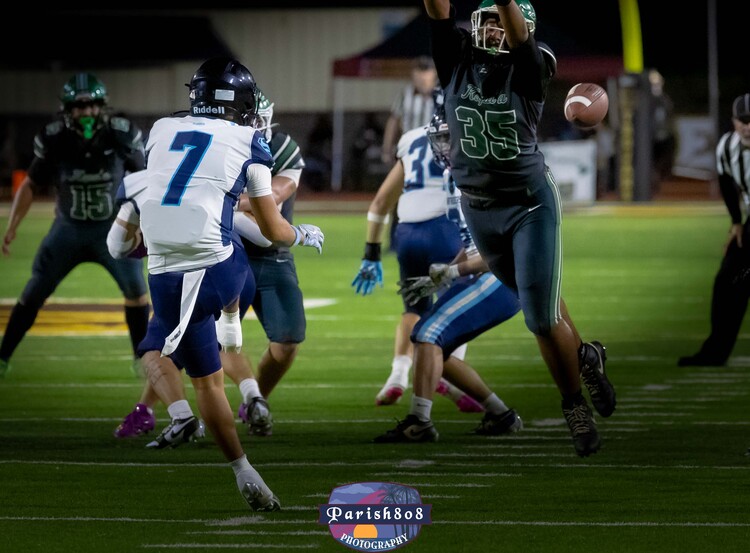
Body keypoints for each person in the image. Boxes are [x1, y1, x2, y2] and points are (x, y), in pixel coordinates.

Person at [109, 57, 324, 511]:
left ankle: (239, 465)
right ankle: (230, 319)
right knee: (234, 255)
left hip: (167, 276)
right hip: (224, 272)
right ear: (241, 103)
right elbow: (272, 230)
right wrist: (301, 234)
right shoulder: (250, 140)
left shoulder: (161, 130)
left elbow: (152, 206)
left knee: (196, 378)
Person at [422, 0, 615, 457]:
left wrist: (505, 1)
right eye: (485, 21)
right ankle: (585, 355)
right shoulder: (456, 61)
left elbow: (521, 42)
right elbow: (438, 13)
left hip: (529, 204)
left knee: (540, 319)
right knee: (538, 300)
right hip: (478, 206)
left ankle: (573, 406)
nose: (491, 30)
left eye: (500, 22)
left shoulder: (530, 65)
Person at [374, 106, 524, 443]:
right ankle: (500, 414)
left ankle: (420, 421)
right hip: (485, 273)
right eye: (439, 138)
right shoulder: (453, 179)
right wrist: (442, 275)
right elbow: (470, 242)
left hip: (502, 276)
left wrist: (453, 271)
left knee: (428, 333)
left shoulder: (486, 179)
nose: (443, 147)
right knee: (434, 343)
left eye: (449, 138)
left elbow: (498, 252)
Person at [0, 72, 149, 378]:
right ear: (67, 110)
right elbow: (30, 184)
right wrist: (13, 225)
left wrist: (144, 222)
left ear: (102, 106)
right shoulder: (55, 138)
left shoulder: (119, 134)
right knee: (33, 292)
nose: (87, 112)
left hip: (112, 228)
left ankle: (142, 358)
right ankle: (3, 357)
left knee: (136, 290)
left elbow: (145, 181)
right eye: (80, 106)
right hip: (68, 229)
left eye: (92, 105)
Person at [352, 91, 484, 413]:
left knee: (413, 308)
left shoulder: (411, 138)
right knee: (456, 307)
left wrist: (371, 253)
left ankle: (397, 375)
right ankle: (446, 374)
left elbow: (380, 203)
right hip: (447, 229)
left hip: (408, 232)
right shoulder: (471, 134)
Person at [678, 93, 750, 368]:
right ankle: (715, 352)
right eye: (743, 120)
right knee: (727, 281)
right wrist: (736, 222)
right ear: (734, 122)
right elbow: (726, 182)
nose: (748, 126)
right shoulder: (727, 146)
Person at [381, 56, 439, 252]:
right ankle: (395, 241)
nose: (422, 79)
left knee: (435, 198)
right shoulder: (405, 95)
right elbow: (393, 122)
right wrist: (387, 147)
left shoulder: (441, 94)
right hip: (408, 154)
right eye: (419, 74)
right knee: (399, 196)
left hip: (434, 155)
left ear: (434, 75)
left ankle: (431, 240)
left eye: (426, 74)